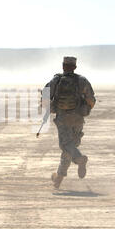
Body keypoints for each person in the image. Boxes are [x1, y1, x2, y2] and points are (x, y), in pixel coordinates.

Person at [43, 57, 96, 189]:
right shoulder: (82, 80)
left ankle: (79, 159)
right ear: (75, 67)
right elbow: (91, 100)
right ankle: (59, 178)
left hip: (63, 118)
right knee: (70, 147)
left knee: (66, 145)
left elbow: (45, 95)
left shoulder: (57, 80)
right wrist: (85, 109)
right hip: (78, 118)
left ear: (63, 66)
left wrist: (48, 108)